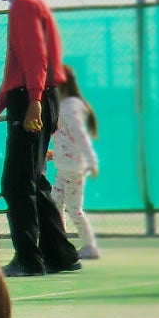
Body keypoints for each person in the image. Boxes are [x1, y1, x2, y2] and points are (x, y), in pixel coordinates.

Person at [0, 0, 81, 278]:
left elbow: (35, 59)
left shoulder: (23, 6)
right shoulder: (29, 3)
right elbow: (18, 65)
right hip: (31, 99)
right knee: (34, 181)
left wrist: (34, 101)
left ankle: (28, 259)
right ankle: (60, 254)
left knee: (16, 183)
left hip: (33, 100)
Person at [50, 66, 102, 261]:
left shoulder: (70, 106)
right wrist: (54, 154)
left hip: (72, 168)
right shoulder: (65, 105)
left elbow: (80, 135)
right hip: (64, 166)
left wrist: (91, 160)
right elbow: (66, 139)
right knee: (56, 203)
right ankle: (61, 243)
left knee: (74, 208)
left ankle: (90, 246)